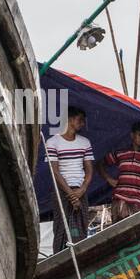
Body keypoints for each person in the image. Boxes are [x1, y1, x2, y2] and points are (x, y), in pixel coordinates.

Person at [46, 106, 94, 253]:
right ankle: (59, 259)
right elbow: (55, 171)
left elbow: (89, 169)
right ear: (70, 120)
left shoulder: (84, 142)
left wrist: (82, 189)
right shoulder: (52, 142)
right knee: (61, 227)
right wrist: (72, 194)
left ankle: (80, 258)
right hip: (62, 190)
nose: (82, 123)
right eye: (80, 119)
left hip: (80, 189)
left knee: (81, 226)